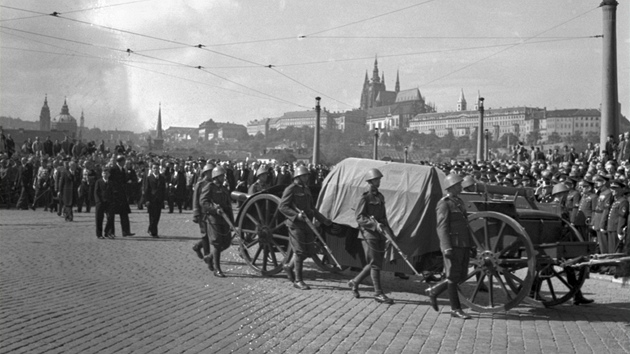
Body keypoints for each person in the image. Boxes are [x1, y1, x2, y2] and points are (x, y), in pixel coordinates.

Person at [425, 174, 474, 320]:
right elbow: (442, 227)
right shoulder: (444, 203)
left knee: (462, 275)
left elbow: (466, 225)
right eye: (458, 184)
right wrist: (446, 247)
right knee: (452, 276)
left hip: (463, 244)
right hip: (453, 244)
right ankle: (456, 309)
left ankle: (434, 291)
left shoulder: (459, 201)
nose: (461, 186)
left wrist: (470, 245)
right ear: (451, 186)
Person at [279, 165, 332, 290]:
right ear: (298, 177)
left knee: (308, 251)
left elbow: (312, 209)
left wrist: (323, 220)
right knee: (299, 251)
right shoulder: (290, 189)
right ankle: (298, 280)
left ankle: (288, 267)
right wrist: (296, 215)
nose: (307, 177)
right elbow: (282, 207)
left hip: (307, 224)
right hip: (295, 225)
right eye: (304, 176)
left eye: (307, 175)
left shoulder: (306, 189)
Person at [347, 168, 395, 304]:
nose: (379, 181)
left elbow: (384, 217)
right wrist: (374, 225)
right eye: (376, 179)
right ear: (370, 181)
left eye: (379, 179)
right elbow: (360, 217)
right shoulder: (364, 197)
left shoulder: (380, 197)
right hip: (368, 234)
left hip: (380, 234)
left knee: (375, 263)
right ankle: (378, 293)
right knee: (375, 265)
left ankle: (354, 282)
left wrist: (388, 232)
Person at [200, 166, 234, 277]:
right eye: (221, 176)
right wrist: (214, 209)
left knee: (227, 242)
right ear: (216, 177)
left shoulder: (224, 189)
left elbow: (228, 206)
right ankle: (217, 269)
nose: (223, 177)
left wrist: (232, 222)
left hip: (224, 218)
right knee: (217, 243)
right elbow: (203, 202)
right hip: (213, 219)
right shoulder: (209, 187)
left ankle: (209, 257)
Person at [192, 163, 214, 263]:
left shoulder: (214, 184)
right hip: (202, 213)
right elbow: (195, 200)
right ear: (206, 173)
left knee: (211, 235)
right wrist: (196, 214)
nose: (212, 174)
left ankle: (197, 246)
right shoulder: (200, 184)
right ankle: (207, 255)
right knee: (205, 234)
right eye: (210, 172)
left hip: (211, 212)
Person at [109, 155, 135, 237]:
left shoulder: (123, 170)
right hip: (115, 195)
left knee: (124, 214)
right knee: (111, 215)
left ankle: (126, 231)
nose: (124, 163)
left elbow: (124, 181)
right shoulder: (113, 169)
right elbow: (111, 181)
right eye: (123, 161)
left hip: (122, 195)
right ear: (119, 162)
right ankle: (111, 232)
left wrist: (128, 180)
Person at [144, 162, 166, 238]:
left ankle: (150, 228)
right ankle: (154, 232)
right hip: (151, 199)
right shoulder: (149, 178)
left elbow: (163, 189)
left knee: (157, 216)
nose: (155, 169)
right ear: (152, 169)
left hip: (159, 200)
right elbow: (147, 189)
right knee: (152, 216)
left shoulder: (162, 178)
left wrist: (164, 199)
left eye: (157, 168)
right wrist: (147, 200)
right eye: (154, 168)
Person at [94, 169, 114, 239]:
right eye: (104, 173)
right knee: (99, 218)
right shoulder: (98, 182)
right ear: (102, 174)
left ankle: (107, 232)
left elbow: (112, 192)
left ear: (109, 174)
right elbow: (96, 192)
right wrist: (98, 201)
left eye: (106, 173)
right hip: (100, 202)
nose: (105, 174)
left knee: (110, 217)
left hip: (109, 202)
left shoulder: (111, 182)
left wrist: (112, 201)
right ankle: (99, 234)